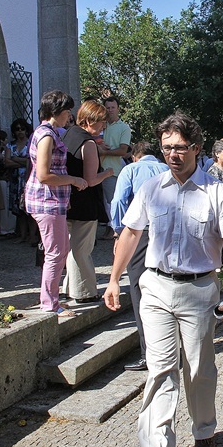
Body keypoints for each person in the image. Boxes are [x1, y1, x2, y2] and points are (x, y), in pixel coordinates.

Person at [103, 112, 223, 447]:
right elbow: (130, 234)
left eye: (180, 148)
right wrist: (113, 279)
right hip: (155, 287)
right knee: (161, 366)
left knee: (198, 368)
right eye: (167, 148)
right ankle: (158, 446)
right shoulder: (151, 189)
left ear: (196, 148)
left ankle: (204, 429)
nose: (173, 155)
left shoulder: (217, 192)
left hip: (199, 289)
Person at [26, 90, 87, 317]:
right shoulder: (46, 135)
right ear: (58, 112)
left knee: (60, 251)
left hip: (53, 201)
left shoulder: (49, 133)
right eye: (67, 111)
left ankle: (51, 299)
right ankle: (49, 304)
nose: (69, 116)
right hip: (46, 202)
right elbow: (44, 175)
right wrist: (73, 180)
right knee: (55, 253)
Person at [110, 141, 168, 372]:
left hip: (140, 233)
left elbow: (118, 202)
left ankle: (148, 354)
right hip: (166, 233)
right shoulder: (167, 169)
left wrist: (117, 232)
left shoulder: (131, 170)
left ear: (135, 155)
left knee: (138, 290)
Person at [61, 100, 113, 303]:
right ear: (91, 120)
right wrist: (107, 173)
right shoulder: (88, 143)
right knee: (82, 249)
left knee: (71, 247)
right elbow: (91, 180)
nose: (103, 127)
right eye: (101, 122)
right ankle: (84, 292)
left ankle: (69, 287)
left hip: (67, 199)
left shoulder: (67, 135)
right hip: (84, 201)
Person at [99, 96, 132, 238]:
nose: (110, 110)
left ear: (118, 109)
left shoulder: (124, 128)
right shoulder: (100, 125)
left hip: (111, 171)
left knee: (112, 202)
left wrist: (104, 152)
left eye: (113, 107)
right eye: (108, 107)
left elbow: (123, 150)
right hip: (96, 169)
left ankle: (118, 232)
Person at [5, 118, 37, 244]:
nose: (20, 132)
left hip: (28, 179)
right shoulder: (10, 145)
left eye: (22, 129)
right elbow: (6, 162)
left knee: (30, 209)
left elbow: (31, 161)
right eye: (17, 129)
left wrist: (15, 158)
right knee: (19, 210)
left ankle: (32, 235)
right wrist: (22, 161)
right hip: (14, 181)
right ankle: (22, 236)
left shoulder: (31, 143)